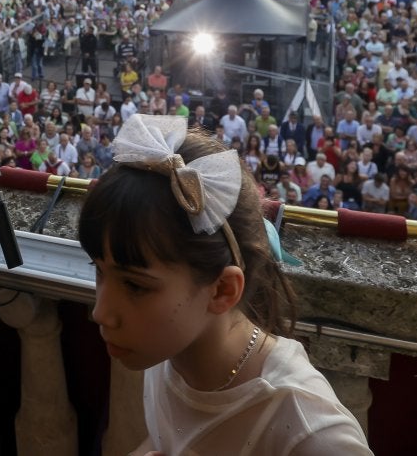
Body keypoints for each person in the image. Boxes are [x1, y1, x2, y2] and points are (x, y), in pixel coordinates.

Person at [77, 115, 372, 455]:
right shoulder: (167, 351)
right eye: (99, 271)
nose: (101, 313)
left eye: (135, 286)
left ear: (221, 290)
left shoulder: (310, 433)